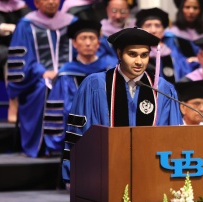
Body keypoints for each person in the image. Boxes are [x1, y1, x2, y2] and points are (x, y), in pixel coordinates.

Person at [62, 27, 184, 184]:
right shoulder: (95, 84)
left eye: (144, 55)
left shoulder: (162, 88)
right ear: (119, 54)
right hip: (104, 173)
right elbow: (79, 132)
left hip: (152, 174)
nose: (139, 62)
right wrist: (77, 170)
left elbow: (174, 134)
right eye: (132, 54)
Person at [6, 0, 76, 158]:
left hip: (68, 74)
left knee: (74, 86)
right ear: (36, 3)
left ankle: (74, 147)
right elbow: (21, 58)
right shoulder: (25, 24)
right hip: (37, 77)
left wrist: (66, 71)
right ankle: (42, 146)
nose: (51, 2)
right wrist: (42, 72)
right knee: (42, 88)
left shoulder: (72, 23)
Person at [44, 19, 116, 153]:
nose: (88, 43)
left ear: (98, 43)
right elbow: (58, 109)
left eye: (92, 38)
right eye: (83, 38)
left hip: (107, 131)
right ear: (75, 43)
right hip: (74, 134)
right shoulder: (66, 72)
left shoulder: (110, 69)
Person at [0, 0, 31, 122]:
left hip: (22, 52)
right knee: (12, 56)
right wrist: (0, 27)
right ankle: (14, 104)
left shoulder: (20, 6)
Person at [135, 7, 191, 84]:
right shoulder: (134, 53)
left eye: (157, 26)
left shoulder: (174, 53)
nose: (153, 30)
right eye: (148, 25)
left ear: (163, 30)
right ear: (141, 29)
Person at [164, 0, 203, 73]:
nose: (191, 11)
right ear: (181, 9)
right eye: (187, 7)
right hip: (181, 73)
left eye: (195, 8)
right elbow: (174, 58)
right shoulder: (171, 33)